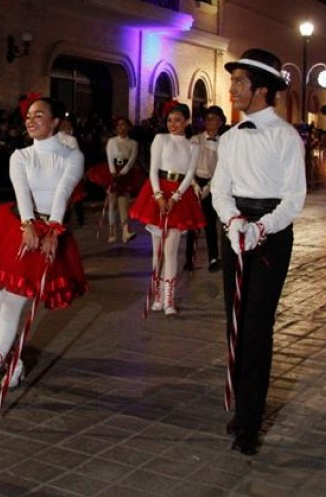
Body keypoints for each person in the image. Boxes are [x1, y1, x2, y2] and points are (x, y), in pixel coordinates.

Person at [0, 95, 86, 400]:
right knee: (0, 307)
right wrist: (28, 226)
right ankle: (16, 362)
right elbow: (21, 191)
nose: (31, 120)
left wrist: (53, 230)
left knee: (11, 307)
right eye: (29, 116)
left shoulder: (71, 156)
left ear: (54, 122)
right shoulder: (20, 155)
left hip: (51, 229)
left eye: (39, 115)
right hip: (15, 229)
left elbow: (63, 192)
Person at [211, 49, 306, 455]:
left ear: (261, 90)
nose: (231, 89)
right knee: (234, 323)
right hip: (235, 230)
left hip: (271, 232)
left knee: (256, 327)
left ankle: (250, 422)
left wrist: (261, 228)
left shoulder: (286, 136)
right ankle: (241, 408)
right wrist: (234, 224)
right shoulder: (230, 137)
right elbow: (219, 189)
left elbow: (294, 198)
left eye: (239, 83)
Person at [129, 101, 205, 315]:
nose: (173, 124)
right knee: (157, 250)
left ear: (186, 121)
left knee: (171, 250)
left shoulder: (193, 145)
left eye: (178, 120)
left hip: (179, 196)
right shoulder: (160, 139)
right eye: (170, 120)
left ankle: (169, 298)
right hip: (158, 192)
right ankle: (158, 295)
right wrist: (159, 197)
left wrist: (176, 198)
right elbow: (153, 170)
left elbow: (190, 174)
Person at [86, 116, 141, 244]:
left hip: (126, 172)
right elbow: (109, 156)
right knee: (112, 202)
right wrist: (113, 172)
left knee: (123, 202)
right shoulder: (111, 141)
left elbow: (132, 159)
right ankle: (112, 232)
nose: (121, 128)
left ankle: (125, 230)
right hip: (112, 170)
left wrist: (124, 172)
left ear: (128, 127)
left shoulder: (133, 143)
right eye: (118, 125)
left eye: (124, 125)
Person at [186, 105, 226, 272]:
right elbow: (188, 164)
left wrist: (209, 187)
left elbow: (223, 166)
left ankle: (213, 258)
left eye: (214, 119)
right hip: (195, 180)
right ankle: (189, 259)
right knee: (192, 223)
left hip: (213, 182)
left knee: (210, 223)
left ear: (220, 122)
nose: (210, 122)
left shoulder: (224, 142)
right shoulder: (195, 140)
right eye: (208, 119)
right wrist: (195, 184)